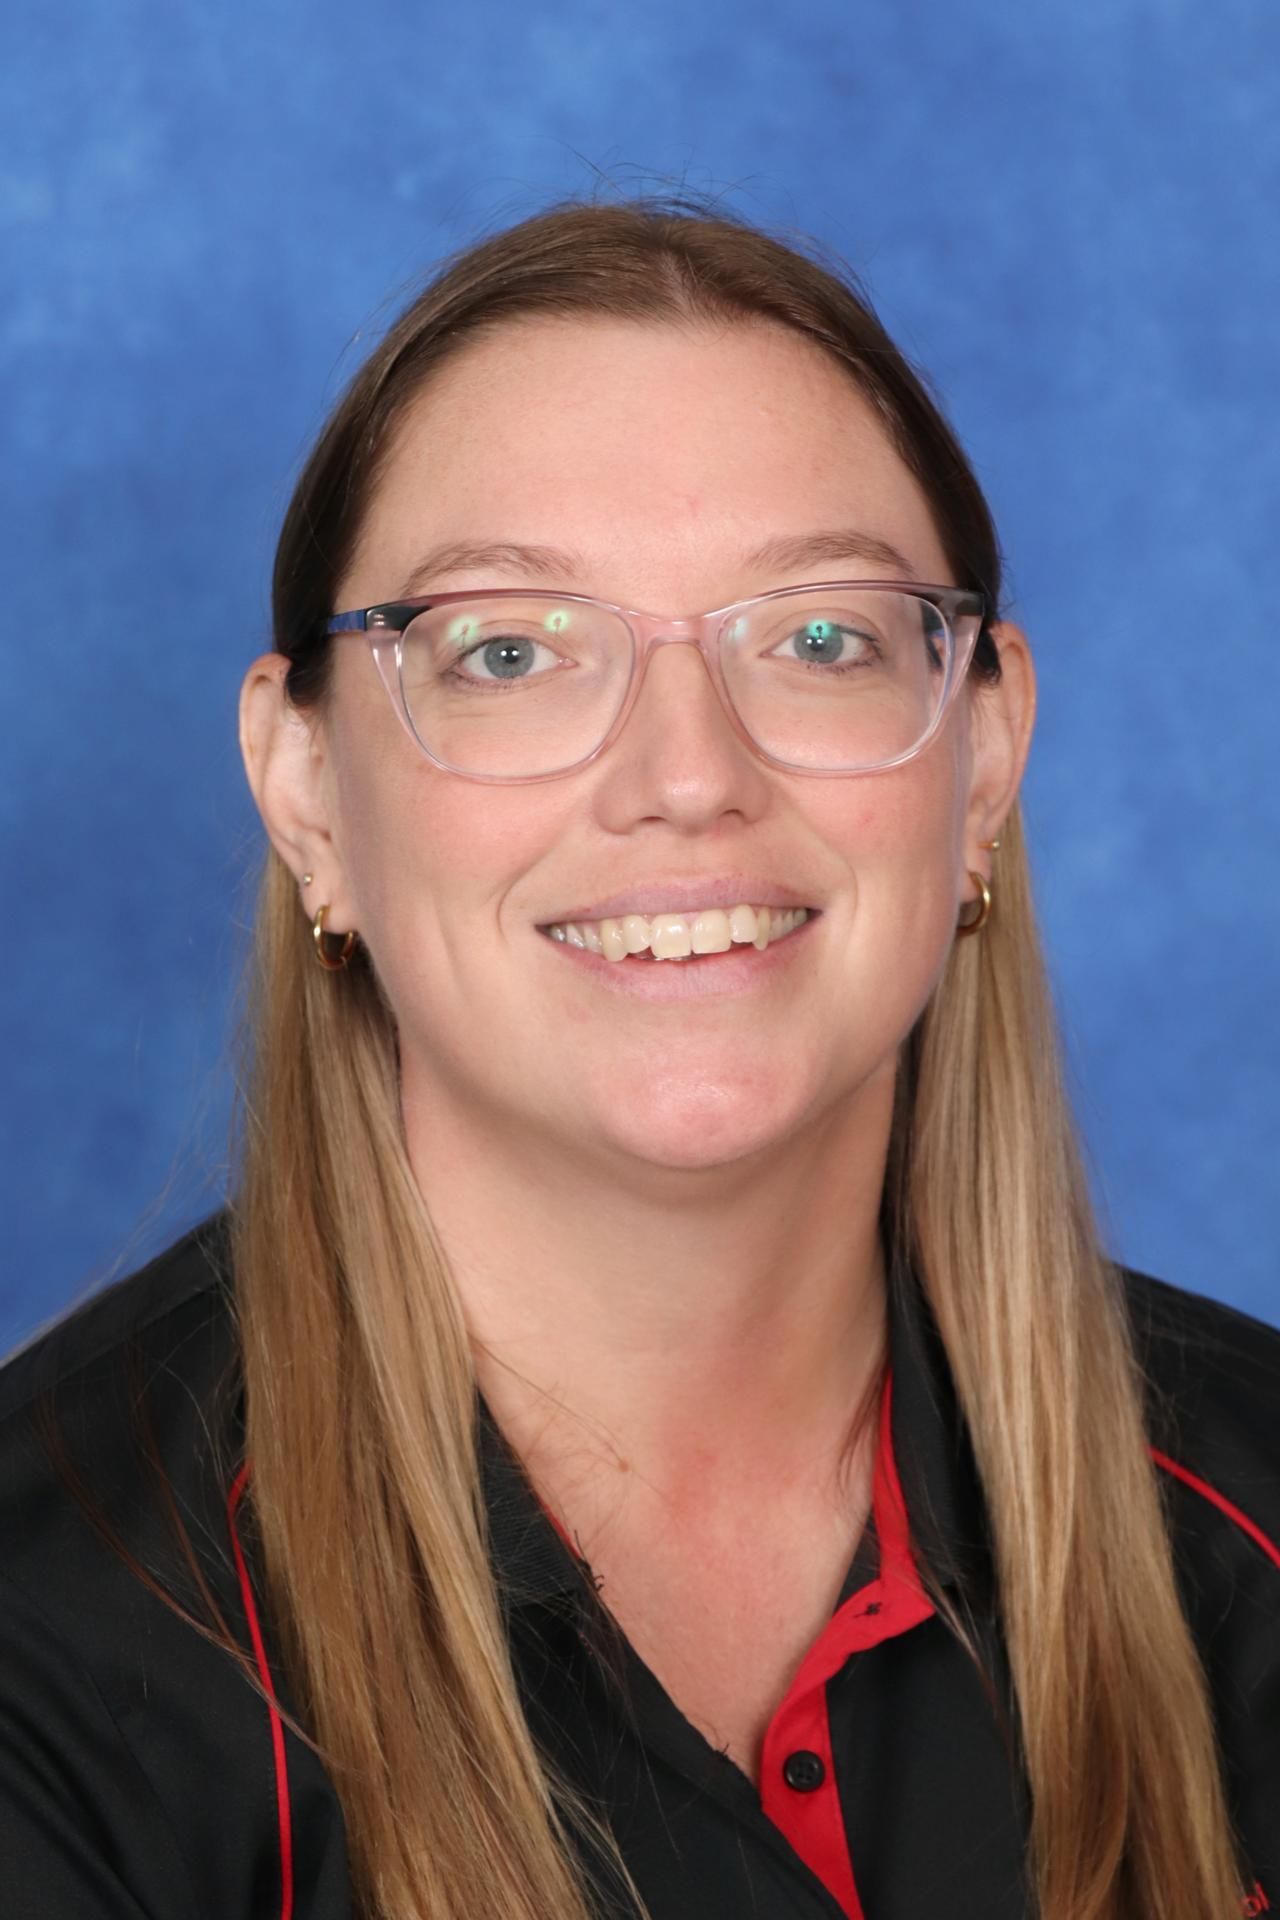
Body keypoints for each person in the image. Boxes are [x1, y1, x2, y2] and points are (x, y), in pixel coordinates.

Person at [1, 193, 1277, 1920]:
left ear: (980, 763)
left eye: (819, 636)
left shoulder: (1251, 1518)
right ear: (308, 795)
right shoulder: (47, 1657)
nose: (688, 772)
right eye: (511, 652)